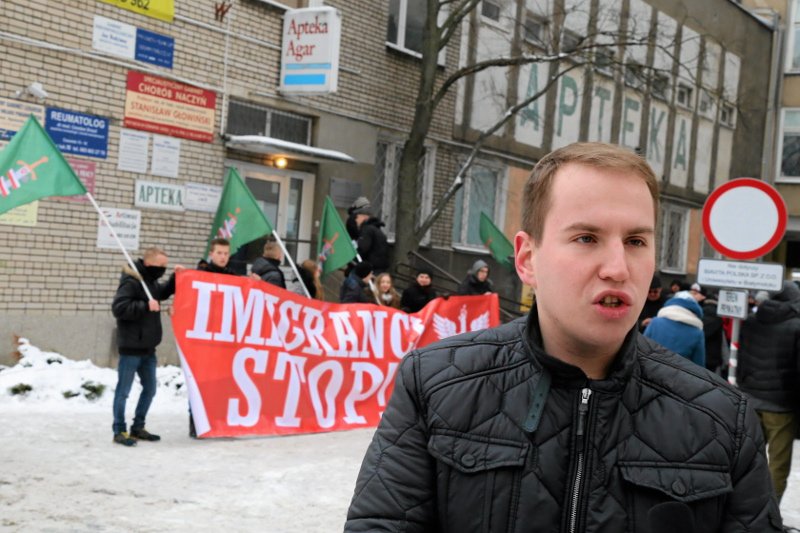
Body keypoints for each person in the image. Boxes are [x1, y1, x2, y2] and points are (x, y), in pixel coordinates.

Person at [345, 142, 781, 532]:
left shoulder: (723, 417)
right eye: (587, 237)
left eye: (635, 241)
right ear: (527, 258)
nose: (617, 267)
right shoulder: (435, 384)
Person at [737, 281, 800, 503]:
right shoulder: (796, 325)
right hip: (781, 406)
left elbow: (742, 357)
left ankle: (742, 510)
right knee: (778, 464)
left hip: (751, 399)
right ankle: (768, 517)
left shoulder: (752, 321)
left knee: (746, 459)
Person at [111, 247, 178, 446]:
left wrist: (176, 277)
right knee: (123, 391)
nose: (163, 269)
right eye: (161, 266)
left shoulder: (151, 281)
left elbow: (163, 293)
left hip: (148, 348)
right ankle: (119, 430)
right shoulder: (132, 282)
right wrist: (144, 306)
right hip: (131, 348)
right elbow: (119, 308)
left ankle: (138, 426)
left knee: (149, 389)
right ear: (148, 264)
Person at [642, 291, 706, 367]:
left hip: (650, 370)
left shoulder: (655, 322)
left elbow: (641, 350)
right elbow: (699, 364)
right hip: (680, 376)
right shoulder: (697, 332)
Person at [354, 206, 390, 274]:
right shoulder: (375, 229)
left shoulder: (367, 230)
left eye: (357, 217)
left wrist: (353, 257)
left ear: (364, 217)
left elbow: (363, 248)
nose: (356, 220)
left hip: (372, 268)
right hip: (379, 267)